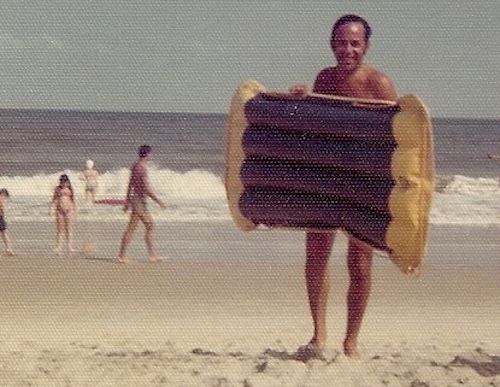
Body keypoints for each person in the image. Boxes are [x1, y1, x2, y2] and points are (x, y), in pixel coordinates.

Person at [290, 14, 398, 359]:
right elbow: (317, 125)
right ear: (331, 43)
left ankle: (351, 340)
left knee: (360, 263)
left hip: (364, 182)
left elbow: (398, 139)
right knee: (316, 256)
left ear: (366, 45)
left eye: (355, 43)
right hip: (329, 177)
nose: (347, 49)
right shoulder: (324, 77)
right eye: (340, 41)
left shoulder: (379, 83)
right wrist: (302, 98)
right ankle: (318, 333)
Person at [117, 145, 166, 263]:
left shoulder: (135, 166)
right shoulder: (142, 168)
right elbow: (146, 189)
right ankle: (121, 256)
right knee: (131, 228)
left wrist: (127, 200)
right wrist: (158, 201)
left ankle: (152, 255)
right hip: (138, 202)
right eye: (150, 153)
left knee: (150, 225)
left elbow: (130, 184)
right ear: (147, 154)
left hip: (138, 201)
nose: (151, 156)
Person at [49, 174, 77, 254]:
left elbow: (73, 200)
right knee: (60, 229)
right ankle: (58, 247)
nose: (63, 183)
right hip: (59, 210)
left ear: (67, 181)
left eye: (65, 181)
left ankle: (69, 246)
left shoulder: (70, 189)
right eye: (62, 181)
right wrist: (50, 208)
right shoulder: (57, 189)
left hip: (69, 209)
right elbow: (54, 199)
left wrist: (75, 210)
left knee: (68, 229)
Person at [0, 188, 15, 255]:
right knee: (4, 233)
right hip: (0, 217)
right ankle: (8, 248)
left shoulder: (2, 198)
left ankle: (8, 248)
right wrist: (5, 216)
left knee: (4, 233)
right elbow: (2, 207)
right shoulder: (1, 199)